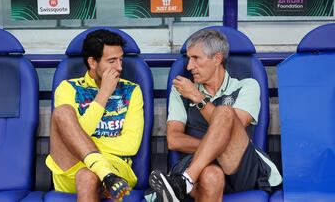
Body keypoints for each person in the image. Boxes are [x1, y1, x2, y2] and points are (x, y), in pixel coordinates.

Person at [147, 29, 282, 202]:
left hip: (240, 165)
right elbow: (174, 140)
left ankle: (183, 181)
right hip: (198, 167)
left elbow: (233, 129)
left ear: (217, 59)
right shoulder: (180, 90)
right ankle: (186, 180)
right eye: (188, 58)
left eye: (196, 58)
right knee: (211, 175)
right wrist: (214, 150)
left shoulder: (247, 86)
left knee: (225, 112)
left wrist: (197, 97)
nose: (189, 66)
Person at [46, 29, 144, 202]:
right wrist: (104, 94)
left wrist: (79, 143)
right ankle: (104, 172)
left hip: (115, 169)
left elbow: (131, 145)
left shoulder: (132, 90)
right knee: (62, 113)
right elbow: (72, 133)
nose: (119, 67)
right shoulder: (68, 88)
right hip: (69, 167)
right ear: (92, 62)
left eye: (121, 60)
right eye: (112, 61)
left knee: (87, 175)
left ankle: (104, 173)